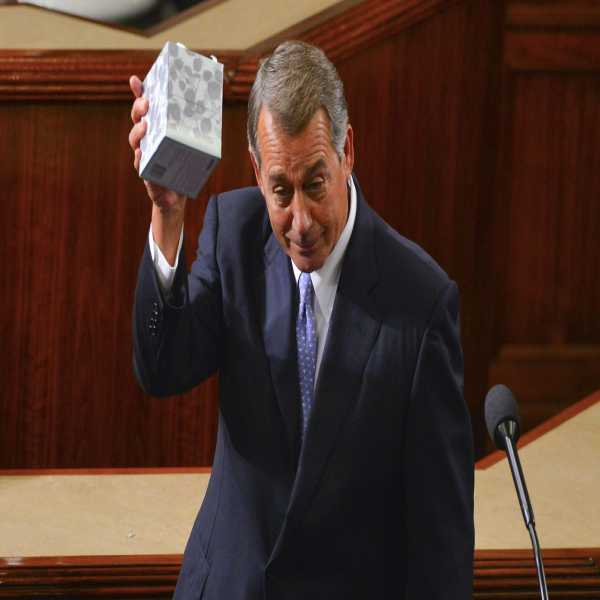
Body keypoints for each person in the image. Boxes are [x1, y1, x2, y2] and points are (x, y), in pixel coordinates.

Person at [129, 40, 474, 600]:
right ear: (257, 170)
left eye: (315, 184)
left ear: (348, 152)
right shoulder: (233, 233)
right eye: (280, 191)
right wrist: (167, 213)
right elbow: (163, 367)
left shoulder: (422, 301)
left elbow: (442, 538)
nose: (301, 221)